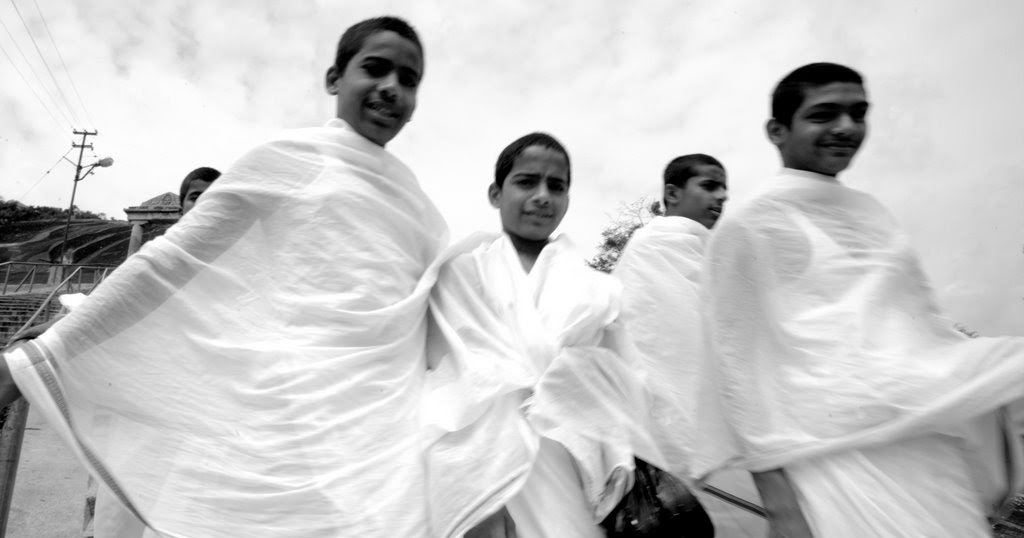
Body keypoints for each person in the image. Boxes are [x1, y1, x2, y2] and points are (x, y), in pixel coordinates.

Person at [0, 16, 464, 538]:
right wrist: (41, 358)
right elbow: (167, 264)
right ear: (335, 78)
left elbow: (439, 322)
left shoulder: (421, 211)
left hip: (370, 453)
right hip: (273, 434)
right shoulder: (289, 161)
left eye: (409, 79)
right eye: (375, 69)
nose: (391, 88)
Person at [691, 62, 1024, 537]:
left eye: (858, 113)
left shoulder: (871, 214)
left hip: (923, 452)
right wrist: (783, 508)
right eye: (824, 114)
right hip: (830, 467)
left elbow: (923, 338)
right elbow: (735, 375)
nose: (846, 127)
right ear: (778, 131)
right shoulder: (752, 224)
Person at [423, 133, 681, 538]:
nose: (543, 196)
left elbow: (630, 379)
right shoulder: (458, 275)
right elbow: (435, 376)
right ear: (495, 193)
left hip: (575, 468)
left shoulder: (595, 289)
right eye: (527, 182)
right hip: (479, 472)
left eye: (556, 186)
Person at [614, 154, 769, 537]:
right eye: (709, 186)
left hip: (727, 426)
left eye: (725, 191)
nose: (720, 198)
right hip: (670, 429)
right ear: (673, 192)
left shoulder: (715, 253)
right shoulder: (651, 248)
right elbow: (656, 339)